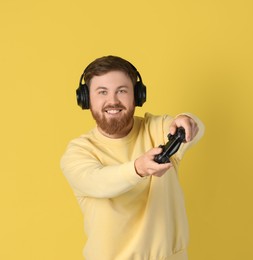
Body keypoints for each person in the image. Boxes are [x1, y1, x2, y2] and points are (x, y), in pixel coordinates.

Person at [60, 55, 205, 260]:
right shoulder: (78, 152)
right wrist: (138, 168)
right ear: (86, 99)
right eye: (102, 92)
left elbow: (195, 131)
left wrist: (187, 119)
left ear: (137, 95)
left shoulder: (157, 128)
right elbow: (98, 182)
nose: (113, 101)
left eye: (122, 91)